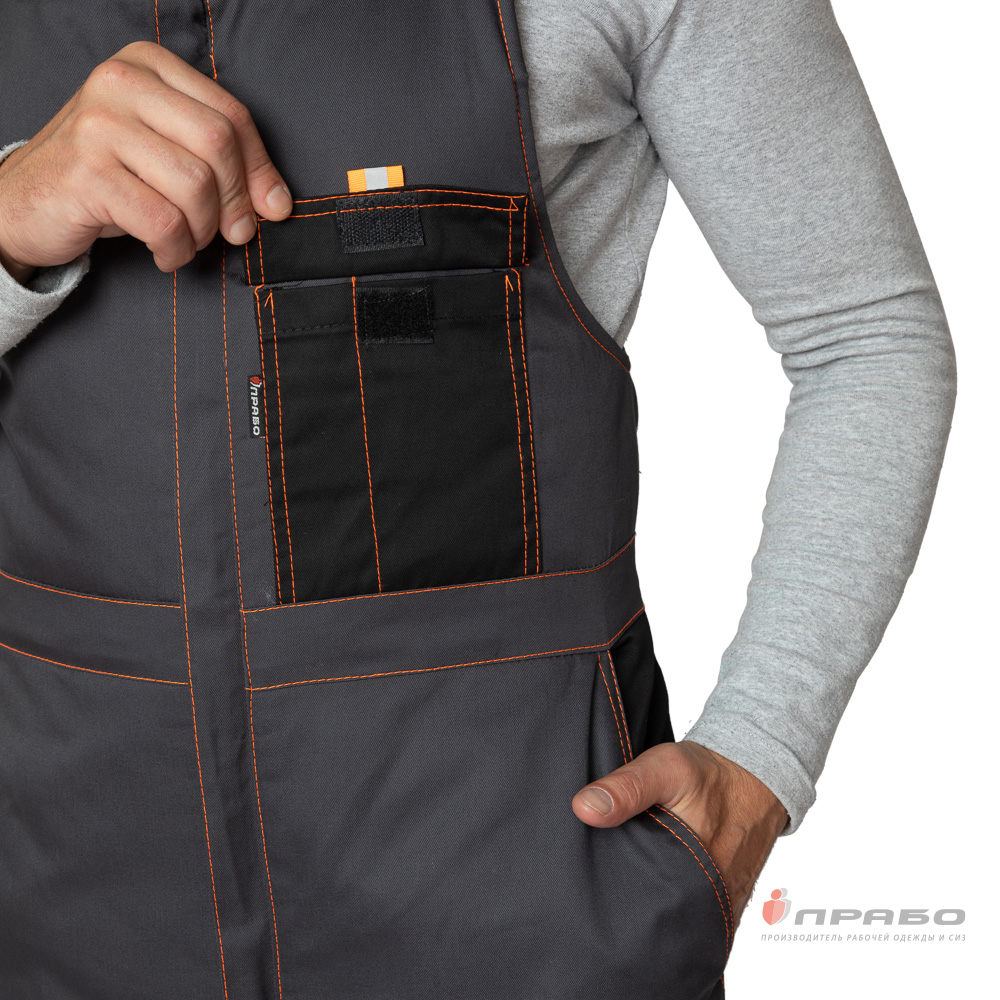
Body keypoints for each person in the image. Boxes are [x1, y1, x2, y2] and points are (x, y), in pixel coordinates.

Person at [0, 1, 956, 997]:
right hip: (61, 893)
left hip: (514, 905)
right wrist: (12, 214)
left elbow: (868, 336)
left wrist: (760, 755)